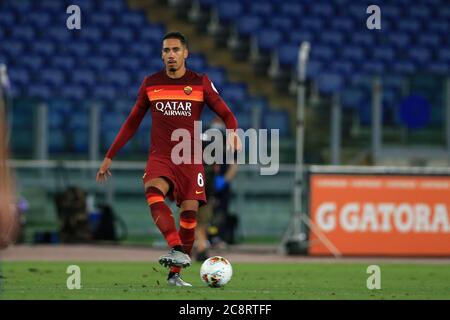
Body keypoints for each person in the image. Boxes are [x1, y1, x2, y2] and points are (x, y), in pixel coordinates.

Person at [96, 32, 241, 287]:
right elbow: (132, 122)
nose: (170, 55)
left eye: (175, 50)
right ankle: (175, 246)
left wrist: (233, 132)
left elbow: (226, 113)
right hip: (161, 155)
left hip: (190, 157)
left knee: (189, 213)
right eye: (166, 50)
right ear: (162, 54)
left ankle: (175, 274)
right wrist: (110, 155)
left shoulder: (200, 82)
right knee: (153, 191)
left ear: (186, 53)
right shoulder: (151, 83)